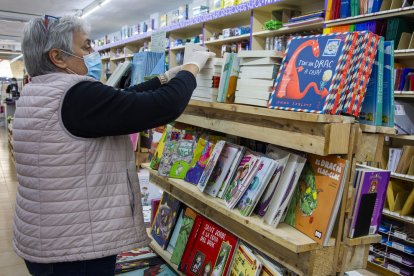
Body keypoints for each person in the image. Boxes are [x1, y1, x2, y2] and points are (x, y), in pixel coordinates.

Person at [12, 15, 214, 276]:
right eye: (85, 47)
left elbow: (119, 100)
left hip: (47, 234)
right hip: (76, 247)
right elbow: (165, 106)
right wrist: (191, 69)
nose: (92, 53)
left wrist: (165, 78)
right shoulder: (75, 95)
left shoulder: (39, 90)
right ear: (57, 57)